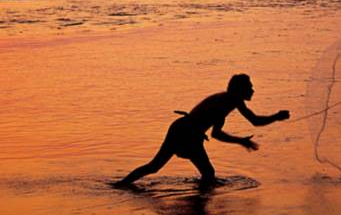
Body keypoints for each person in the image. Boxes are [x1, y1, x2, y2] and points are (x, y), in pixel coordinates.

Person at [116, 74, 290, 186]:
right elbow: (247, 124)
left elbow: (225, 130)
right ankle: (203, 205)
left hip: (182, 129)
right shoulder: (228, 102)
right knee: (206, 173)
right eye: (249, 87)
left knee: (155, 167)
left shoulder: (229, 100)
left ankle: (122, 185)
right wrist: (276, 117)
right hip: (186, 133)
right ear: (239, 90)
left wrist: (242, 140)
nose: (253, 89)